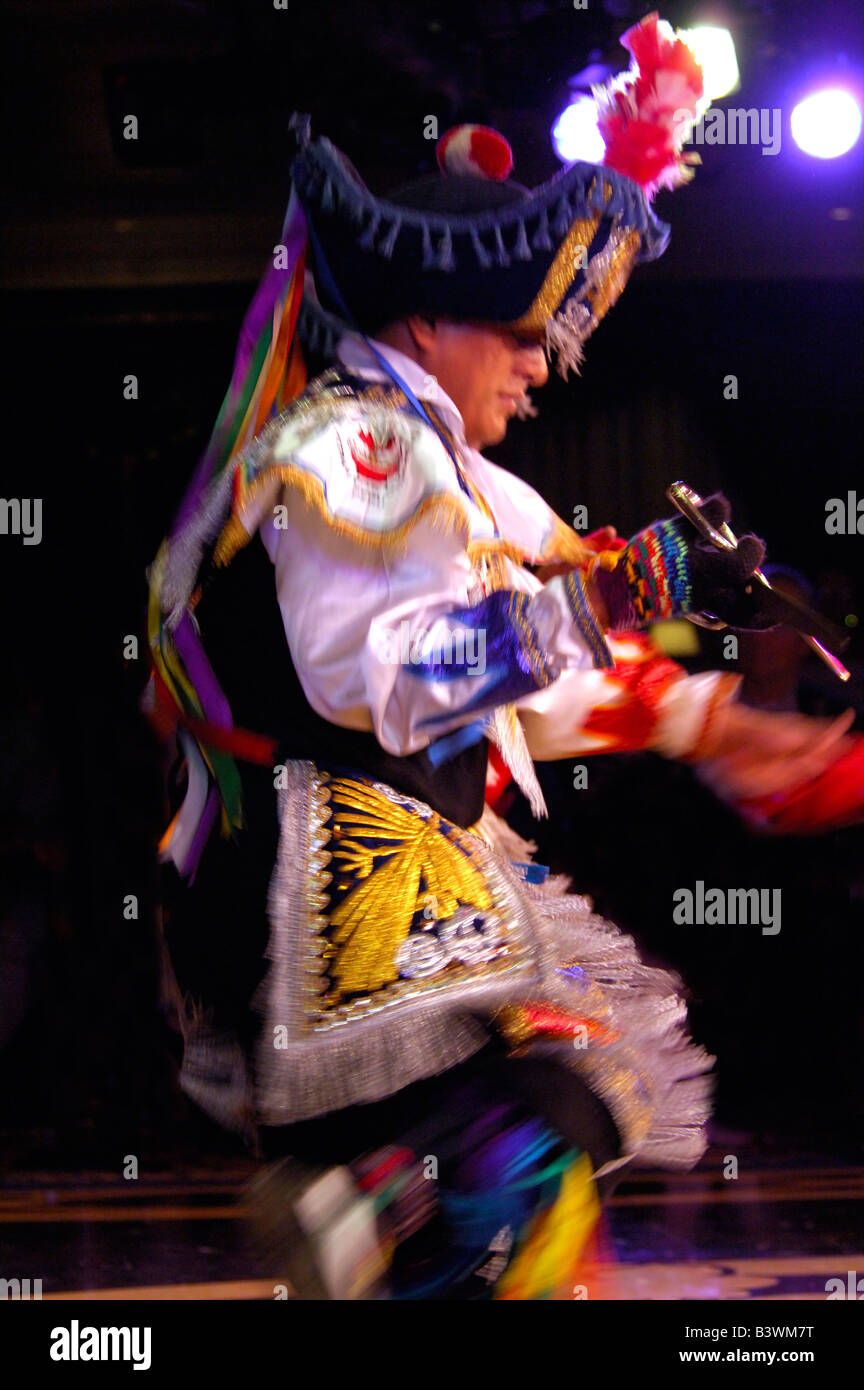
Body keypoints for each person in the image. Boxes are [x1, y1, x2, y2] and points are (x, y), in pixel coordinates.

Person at [148, 16, 853, 1298]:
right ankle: (371, 1192)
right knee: (562, 1105)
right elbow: (399, 679)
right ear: (427, 319)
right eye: (522, 336)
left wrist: (715, 724)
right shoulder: (359, 446)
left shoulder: (447, 469)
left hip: (403, 866)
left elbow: (521, 686)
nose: (543, 367)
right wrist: (632, 588)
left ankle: (373, 1199)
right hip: (345, 875)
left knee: (559, 1136)